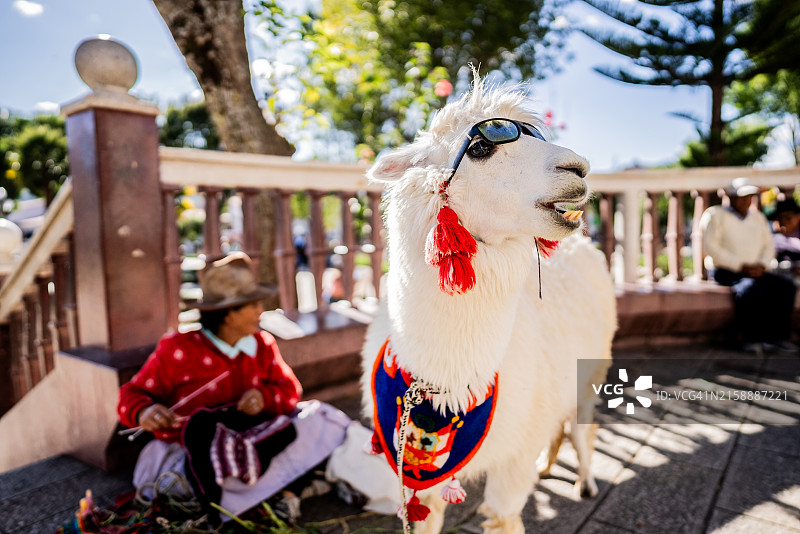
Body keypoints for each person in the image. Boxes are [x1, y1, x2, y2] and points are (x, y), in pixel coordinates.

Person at [117, 252, 348, 524]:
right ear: (226, 314)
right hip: (193, 458)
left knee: (320, 418)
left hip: (253, 444)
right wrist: (145, 411)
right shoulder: (178, 349)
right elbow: (131, 395)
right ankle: (286, 490)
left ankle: (262, 495)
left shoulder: (261, 344)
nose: (259, 311)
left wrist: (264, 398)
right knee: (193, 478)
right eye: (250, 305)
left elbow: (289, 390)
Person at [700, 177, 797, 353]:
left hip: (757, 270)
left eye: (749, 196)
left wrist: (762, 266)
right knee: (749, 289)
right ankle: (751, 339)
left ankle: (778, 338)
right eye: (741, 196)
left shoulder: (757, 217)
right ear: (730, 196)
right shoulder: (715, 215)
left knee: (785, 287)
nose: (746, 200)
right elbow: (710, 247)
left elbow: (768, 245)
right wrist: (740, 266)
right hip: (727, 271)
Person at [769, 197, 800, 263]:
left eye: (788, 218)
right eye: (780, 218)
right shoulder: (774, 238)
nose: (784, 221)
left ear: (798, 216)